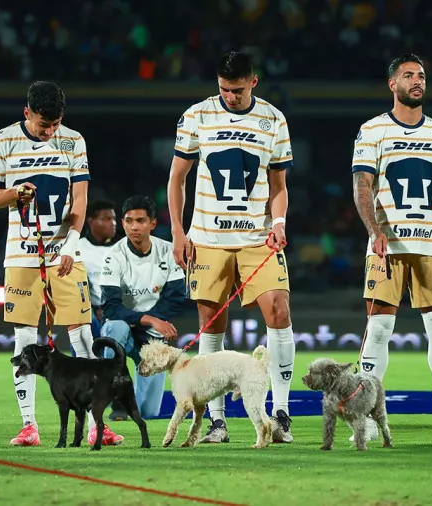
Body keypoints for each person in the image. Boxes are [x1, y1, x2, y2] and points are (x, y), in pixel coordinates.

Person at [0, 80, 123, 448]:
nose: (51, 131)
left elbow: (80, 201)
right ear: (26, 113)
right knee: (26, 340)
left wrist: (71, 244)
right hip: (22, 255)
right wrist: (14, 193)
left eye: (56, 123)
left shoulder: (73, 141)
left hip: (65, 253)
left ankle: (97, 425)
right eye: (45, 124)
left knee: (82, 336)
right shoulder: (3, 140)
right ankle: (29, 425)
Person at [167, 51, 296, 443]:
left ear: (253, 82)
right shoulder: (197, 116)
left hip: (258, 238)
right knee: (211, 325)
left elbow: (278, 186)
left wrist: (278, 224)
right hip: (207, 238)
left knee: (278, 308)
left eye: (237, 90)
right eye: (224, 89)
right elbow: (177, 179)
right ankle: (217, 423)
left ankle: (281, 414)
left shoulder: (273, 119)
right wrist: (177, 230)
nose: (230, 96)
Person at [351, 53, 432, 441]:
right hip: (387, 247)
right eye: (408, 75)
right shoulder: (372, 130)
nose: (417, 80)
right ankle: (367, 417)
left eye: (421, 75)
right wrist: (375, 231)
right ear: (393, 84)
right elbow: (362, 187)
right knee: (378, 330)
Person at [98, 195, 186, 419]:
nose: (134, 227)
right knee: (114, 329)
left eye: (140, 221)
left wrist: (153, 323)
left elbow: (175, 297)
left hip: (151, 335)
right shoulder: (113, 256)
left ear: (153, 224)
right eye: (129, 221)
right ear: (123, 222)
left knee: (148, 411)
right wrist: (150, 320)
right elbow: (110, 307)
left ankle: (133, 402)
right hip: (126, 328)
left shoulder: (168, 251)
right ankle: (117, 399)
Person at [77, 198, 117, 350]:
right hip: (89, 310)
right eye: (106, 219)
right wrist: (93, 308)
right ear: (91, 221)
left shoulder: (121, 248)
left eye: (113, 219)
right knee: (83, 321)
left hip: (115, 309)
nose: (112, 223)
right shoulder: (78, 247)